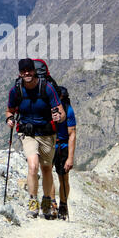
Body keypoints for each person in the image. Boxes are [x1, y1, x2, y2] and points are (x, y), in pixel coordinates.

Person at [6, 58, 66, 219]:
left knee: (46, 168)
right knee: (33, 166)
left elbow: (61, 112)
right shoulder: (16, 90)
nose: (27, 73)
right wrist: (9, 119)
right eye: (23, 71)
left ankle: (47, 202)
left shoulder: (47, 88)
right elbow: (9, 110)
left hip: (47, 134)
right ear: (19, 73)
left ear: (34, 71)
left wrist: (58, 117)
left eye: (29, 70)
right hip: (27, 133)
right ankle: (33, 202)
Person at [50, 86, 76, 220]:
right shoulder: (48, 108)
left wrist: (70, 158)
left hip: (62, 145)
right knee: (47, 174)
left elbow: (72, 134)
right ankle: (53, 204)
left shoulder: (68, 110)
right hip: (49, 144)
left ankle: (63, 205)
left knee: (63, 177)